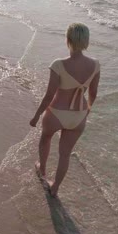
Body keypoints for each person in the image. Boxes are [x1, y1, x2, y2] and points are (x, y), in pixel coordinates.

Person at [29, 23, 100, 197]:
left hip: (57, 113)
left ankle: (42, 170)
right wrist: (87, 111)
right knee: (65, 154)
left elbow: (48, 96)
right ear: (86, 41)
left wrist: (36, 115)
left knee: (45, 139)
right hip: (79, 116)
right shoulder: (95, 65)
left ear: (67, 40)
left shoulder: (58, 65)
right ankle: (55, 187)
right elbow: (93, 94)